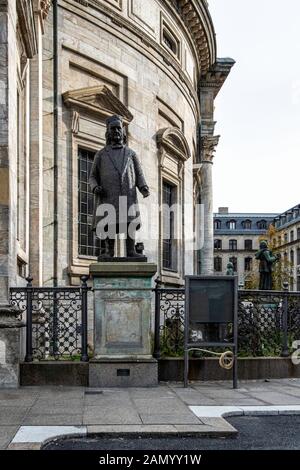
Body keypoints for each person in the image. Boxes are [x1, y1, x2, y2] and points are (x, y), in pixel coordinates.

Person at [89, 115, 150, 259]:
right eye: (113, 129)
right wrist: (95, 187)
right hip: (108, 196)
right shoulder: (101, 154)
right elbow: (92, 176)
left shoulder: (131, 154)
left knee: (129, 222)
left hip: (127, 195)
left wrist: (143, 187)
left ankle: (130, 251)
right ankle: (109, 251)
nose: (116, 131)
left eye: (118, 128)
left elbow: (138, 173)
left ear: (123, 132)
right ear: (108, 132)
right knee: (110, 222)